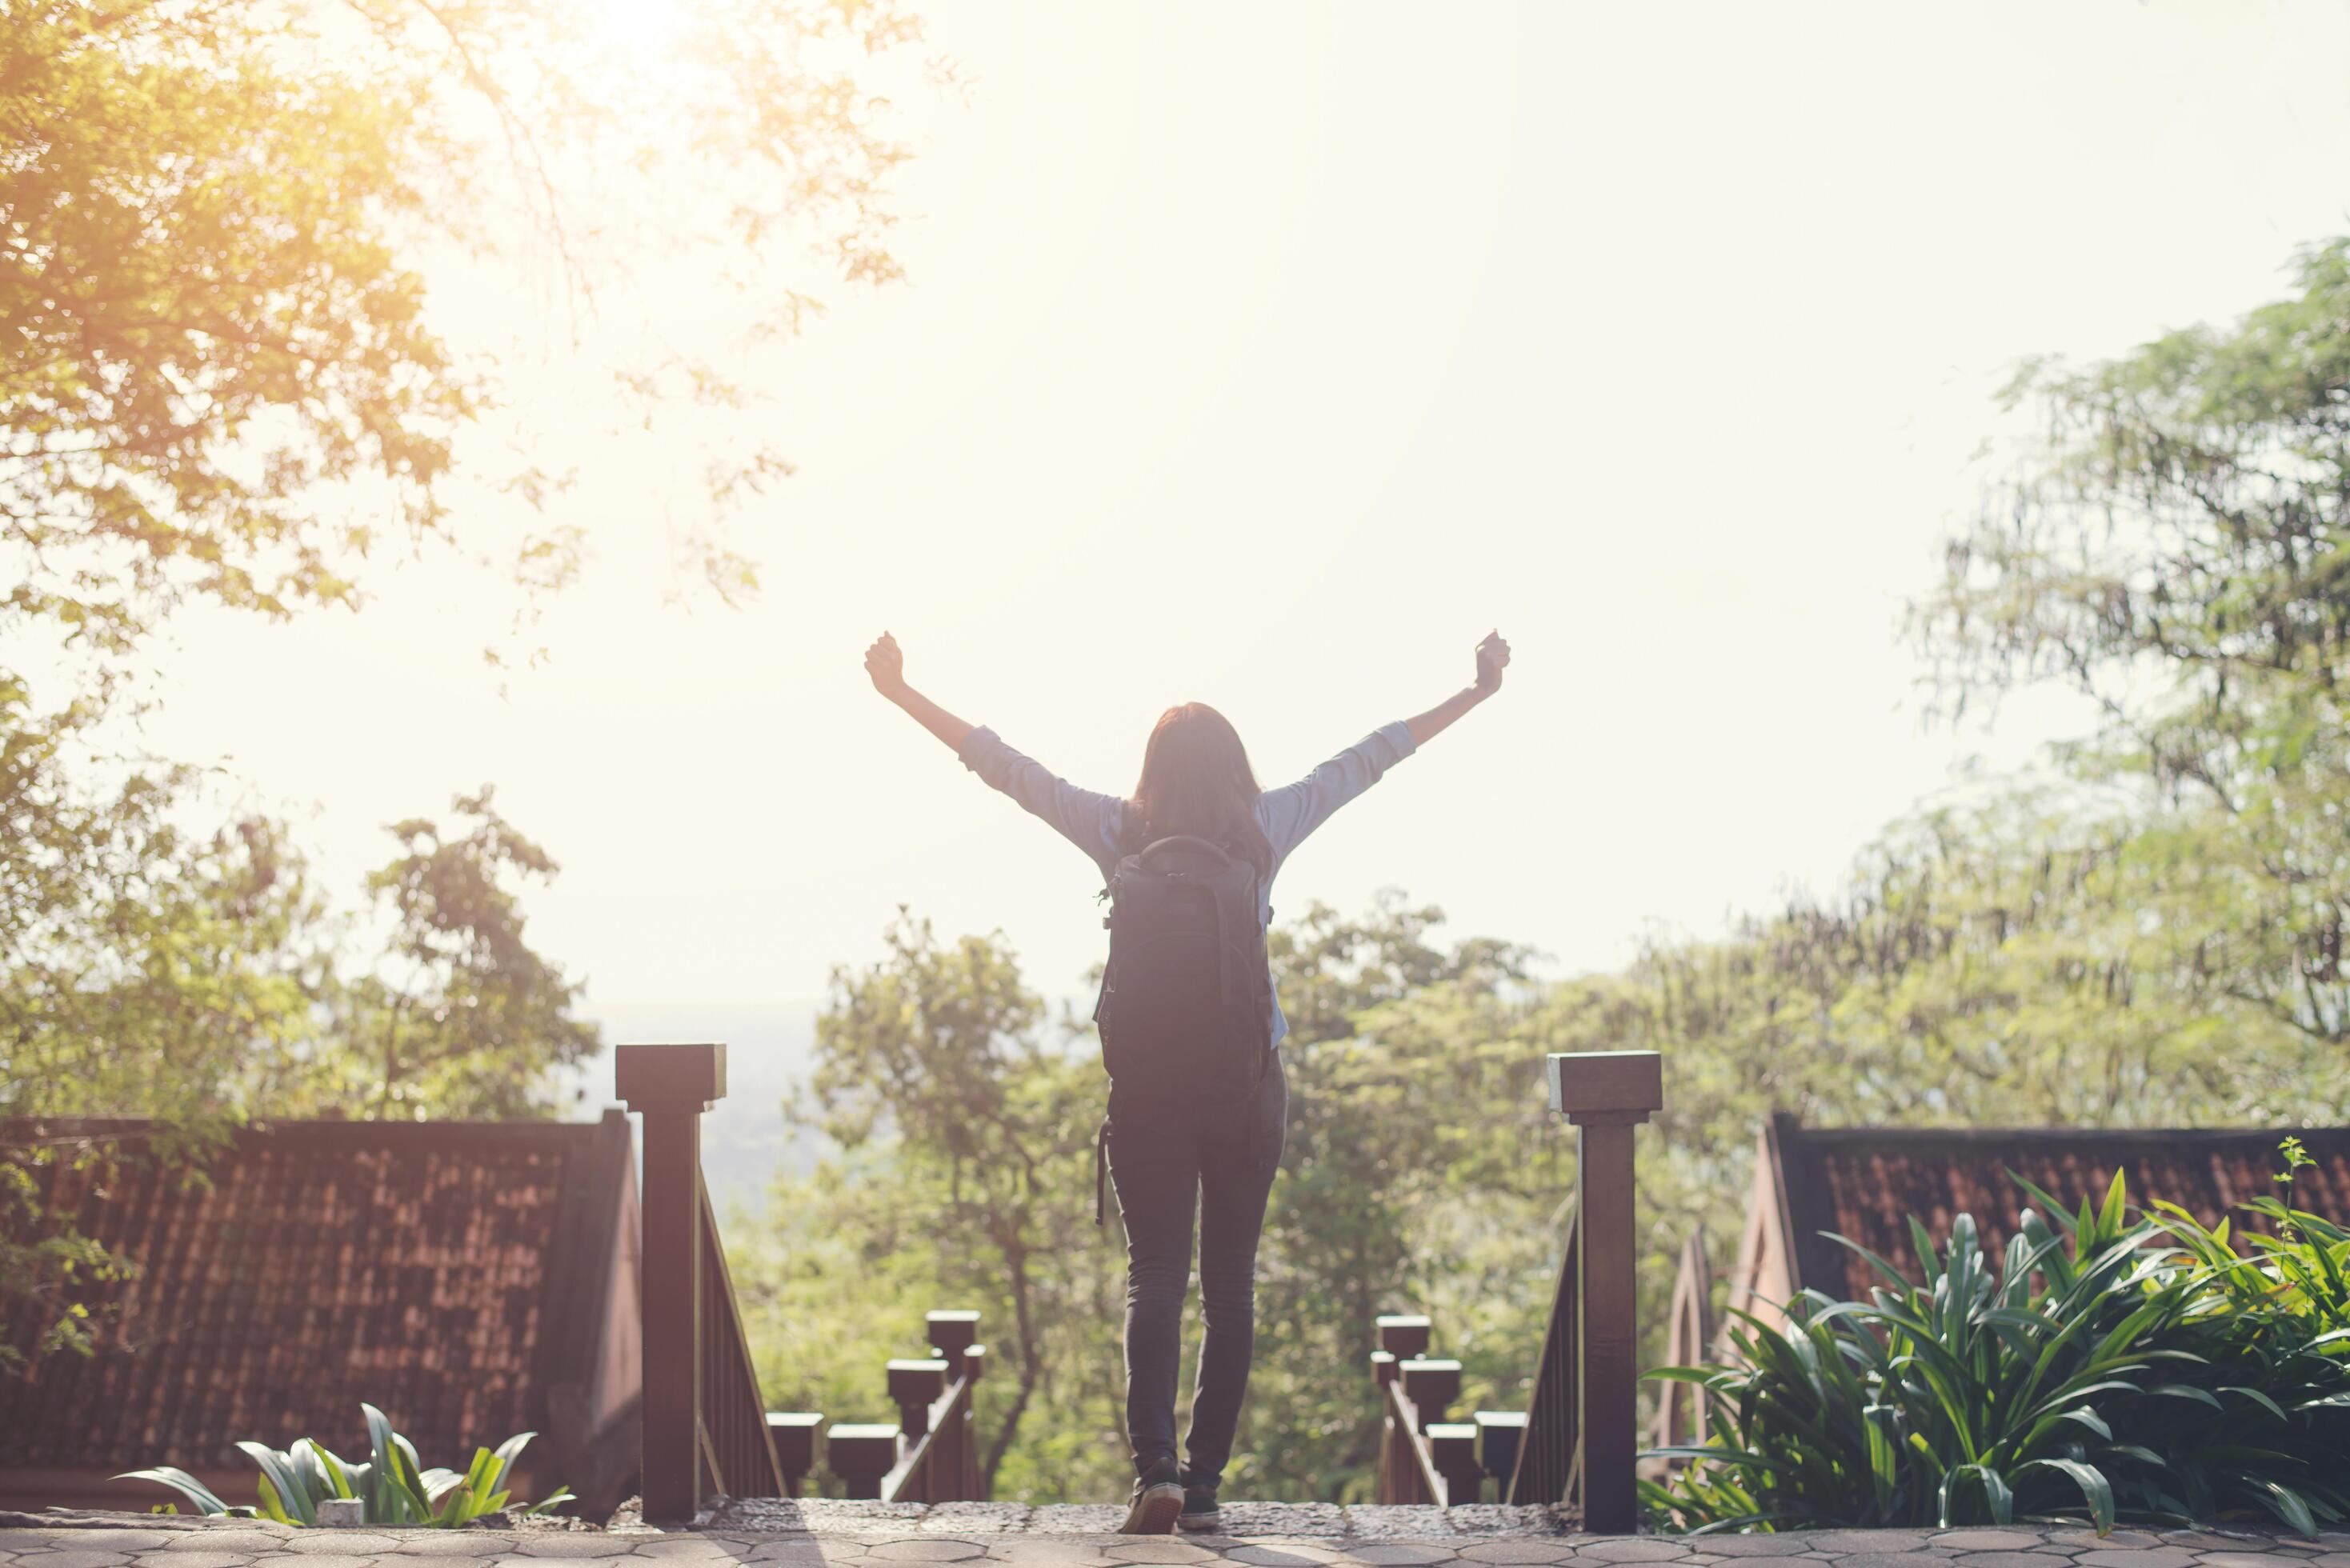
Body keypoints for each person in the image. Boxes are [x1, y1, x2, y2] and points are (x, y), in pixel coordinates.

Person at [862, 630, 1513, 1532]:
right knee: (1230, 1287)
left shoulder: (1117, 830)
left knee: (1156, 1277)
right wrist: (1474, 692)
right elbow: (1371, 758)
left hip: (1148, 1095)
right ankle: (1205, 1486)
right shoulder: (1264, 829)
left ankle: (1156, 1475)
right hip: (1249, 1088)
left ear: (1152, 767)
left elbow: (1005, 767)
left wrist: (902, 692)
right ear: (1236, 765)